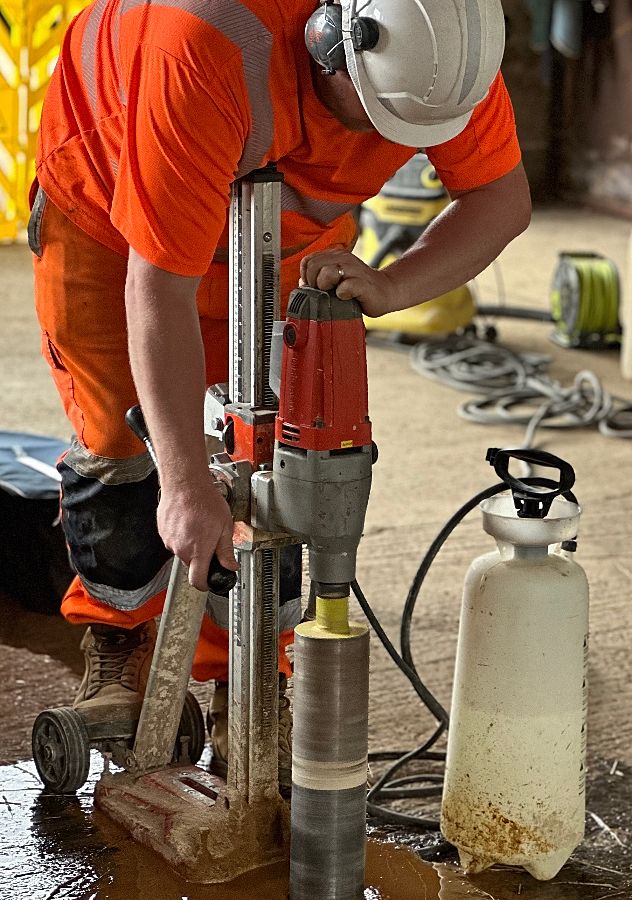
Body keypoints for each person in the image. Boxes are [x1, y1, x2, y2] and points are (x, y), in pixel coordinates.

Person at [29, 0, 531, 787]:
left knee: (281, 450)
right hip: (111, 195)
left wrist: (392, 285)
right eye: (376, 123)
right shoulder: (214, 43)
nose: (387, 149)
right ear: (332, 44)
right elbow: (157, 289)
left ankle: (252, 677)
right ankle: (119, 650)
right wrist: (188, 484)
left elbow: (501, 200)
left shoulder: (443, 45)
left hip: (284, 224)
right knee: (121, 438)